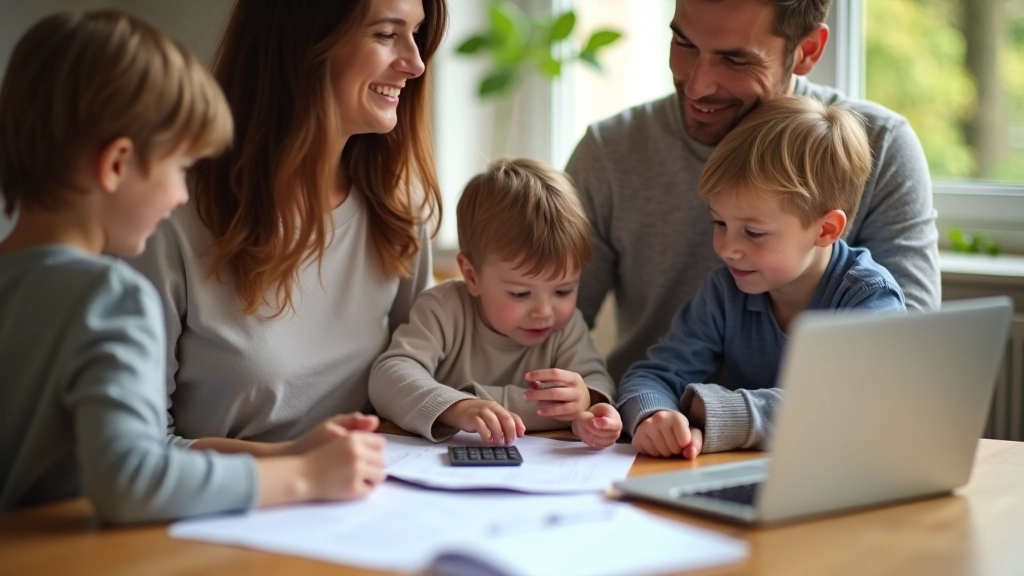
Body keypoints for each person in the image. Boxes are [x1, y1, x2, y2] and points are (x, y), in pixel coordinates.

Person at [0, 10, 385, 522]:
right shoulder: (111, 297)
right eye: (181, 167)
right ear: (117, 165)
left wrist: (286, 453)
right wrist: (305, 476)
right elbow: (134, 481)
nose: (183, 194)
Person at [130, 0, 447, 453]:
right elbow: (134, 453)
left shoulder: (398, 211)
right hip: (228, 498)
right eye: (386, 34)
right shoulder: (169, 219)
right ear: (301, 43)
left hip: (373, 489)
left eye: (415, 34)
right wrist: (293, 465)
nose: (416, 64)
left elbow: (424, 379)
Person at [567, 0, 940, 382]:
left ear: (807, 50)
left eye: (735, 60)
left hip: (817, 418)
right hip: (647, 413)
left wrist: (713, 408)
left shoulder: (880, 147)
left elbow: (901, 368)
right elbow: (550, 331)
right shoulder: (609, 153)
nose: (697, 85)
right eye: (684, 43)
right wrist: (596, 398)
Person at [617, 96, 906, 459]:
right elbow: (653, 375)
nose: (727, 248)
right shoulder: (725, 292)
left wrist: (721, 412)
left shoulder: (869, 297)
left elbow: (848, 406)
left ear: (825, 229)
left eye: (753, 232)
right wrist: (654, 415)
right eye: (719, 222)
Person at [370, 159, 622, 449]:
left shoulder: (566, 328)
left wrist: (590, 404)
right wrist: (459, 408)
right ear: (471, 275)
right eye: (520, 294)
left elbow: (597, 381)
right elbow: (387, 378)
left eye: (563, 291)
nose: (544, 311)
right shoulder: (442, 310)